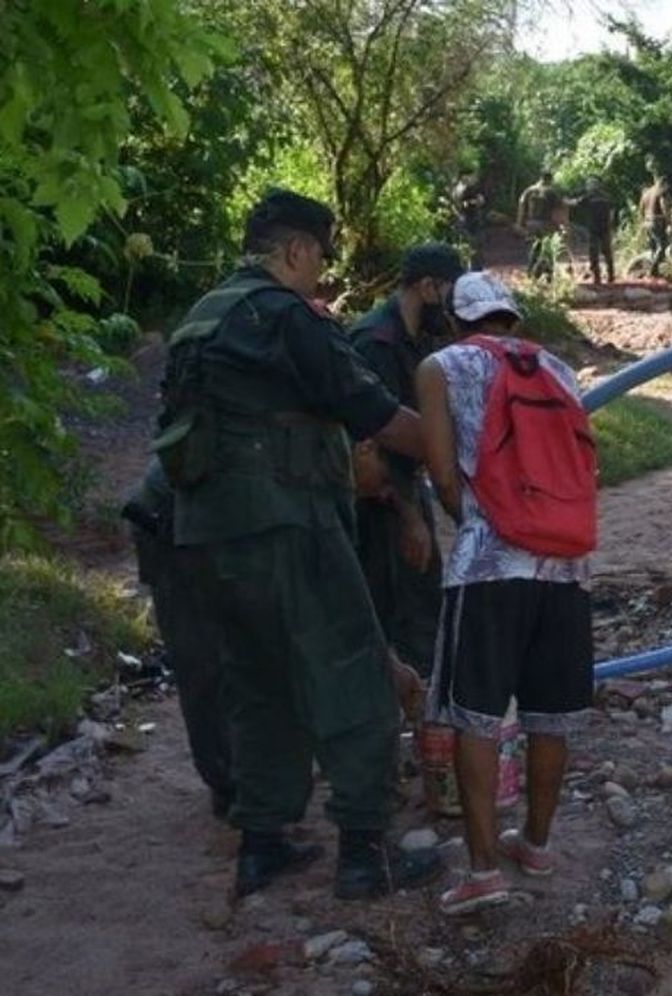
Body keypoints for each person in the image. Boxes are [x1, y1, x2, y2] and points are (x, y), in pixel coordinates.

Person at [153, 188, 443, 899]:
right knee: (349, 671)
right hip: (285, 522)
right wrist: (462, 453)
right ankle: (363, 854)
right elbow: (379, 416)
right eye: (319, 259)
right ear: (296, 250)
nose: (320, 274)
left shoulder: (202, 317)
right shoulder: (285, 317)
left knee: (258, 682)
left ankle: (262, 843)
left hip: (204, 536)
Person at [414, 271, 595, 915]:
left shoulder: (441, 366)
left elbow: (441, 473)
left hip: (489, 567)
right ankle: (538, 845)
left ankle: (483, 870)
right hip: (567, 568)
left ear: (458, 320)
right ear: (510, 319)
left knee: (475, 718)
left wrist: (478, 527)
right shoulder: (559, 370)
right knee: (552, 717)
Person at [349, 243, 465, 677]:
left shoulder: (420, 339)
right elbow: (374, 443)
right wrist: (409, 516)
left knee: (424, 603)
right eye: (449, 294)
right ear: (426, 287)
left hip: (405, 486)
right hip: (378, 497)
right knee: (399, 611)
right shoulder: (376, 343)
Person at [122, 457, 234, 818]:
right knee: (203, 660)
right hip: (171, 524)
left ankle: (240, 781)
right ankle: (229, 785)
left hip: (192, 512)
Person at [517, 170, 562, 280]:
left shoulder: (529, 190)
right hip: (546, 224)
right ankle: (548, 276)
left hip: (531, 223)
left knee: (533, 249)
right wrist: (560, 226)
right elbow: (558, 209)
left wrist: (519, 223)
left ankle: (531, 274)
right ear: (550, 179)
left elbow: (521, 205)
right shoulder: (551, 192)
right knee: (548, 250)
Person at [571, 178, 616, 284]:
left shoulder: (589, 197)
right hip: (605, 227)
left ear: (591, 187)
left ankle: (597, 278)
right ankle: (611, 276)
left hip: (593, 228)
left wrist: (563, 201)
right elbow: (612, 211)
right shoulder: (606, 196)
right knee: (607, 252)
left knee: (593, 253)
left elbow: (575, 203)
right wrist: (611, 224)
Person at [638, 174, 672, 278]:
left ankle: (652, 270)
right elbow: (664, 207)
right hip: (657, 221)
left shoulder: (647, 192)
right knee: (662, 246)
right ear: (664, 184)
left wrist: (642, 221)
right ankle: (653, 269)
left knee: (653, 247)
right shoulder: (661, 192)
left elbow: (641, 208)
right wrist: (669, 223)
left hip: (647, 221)